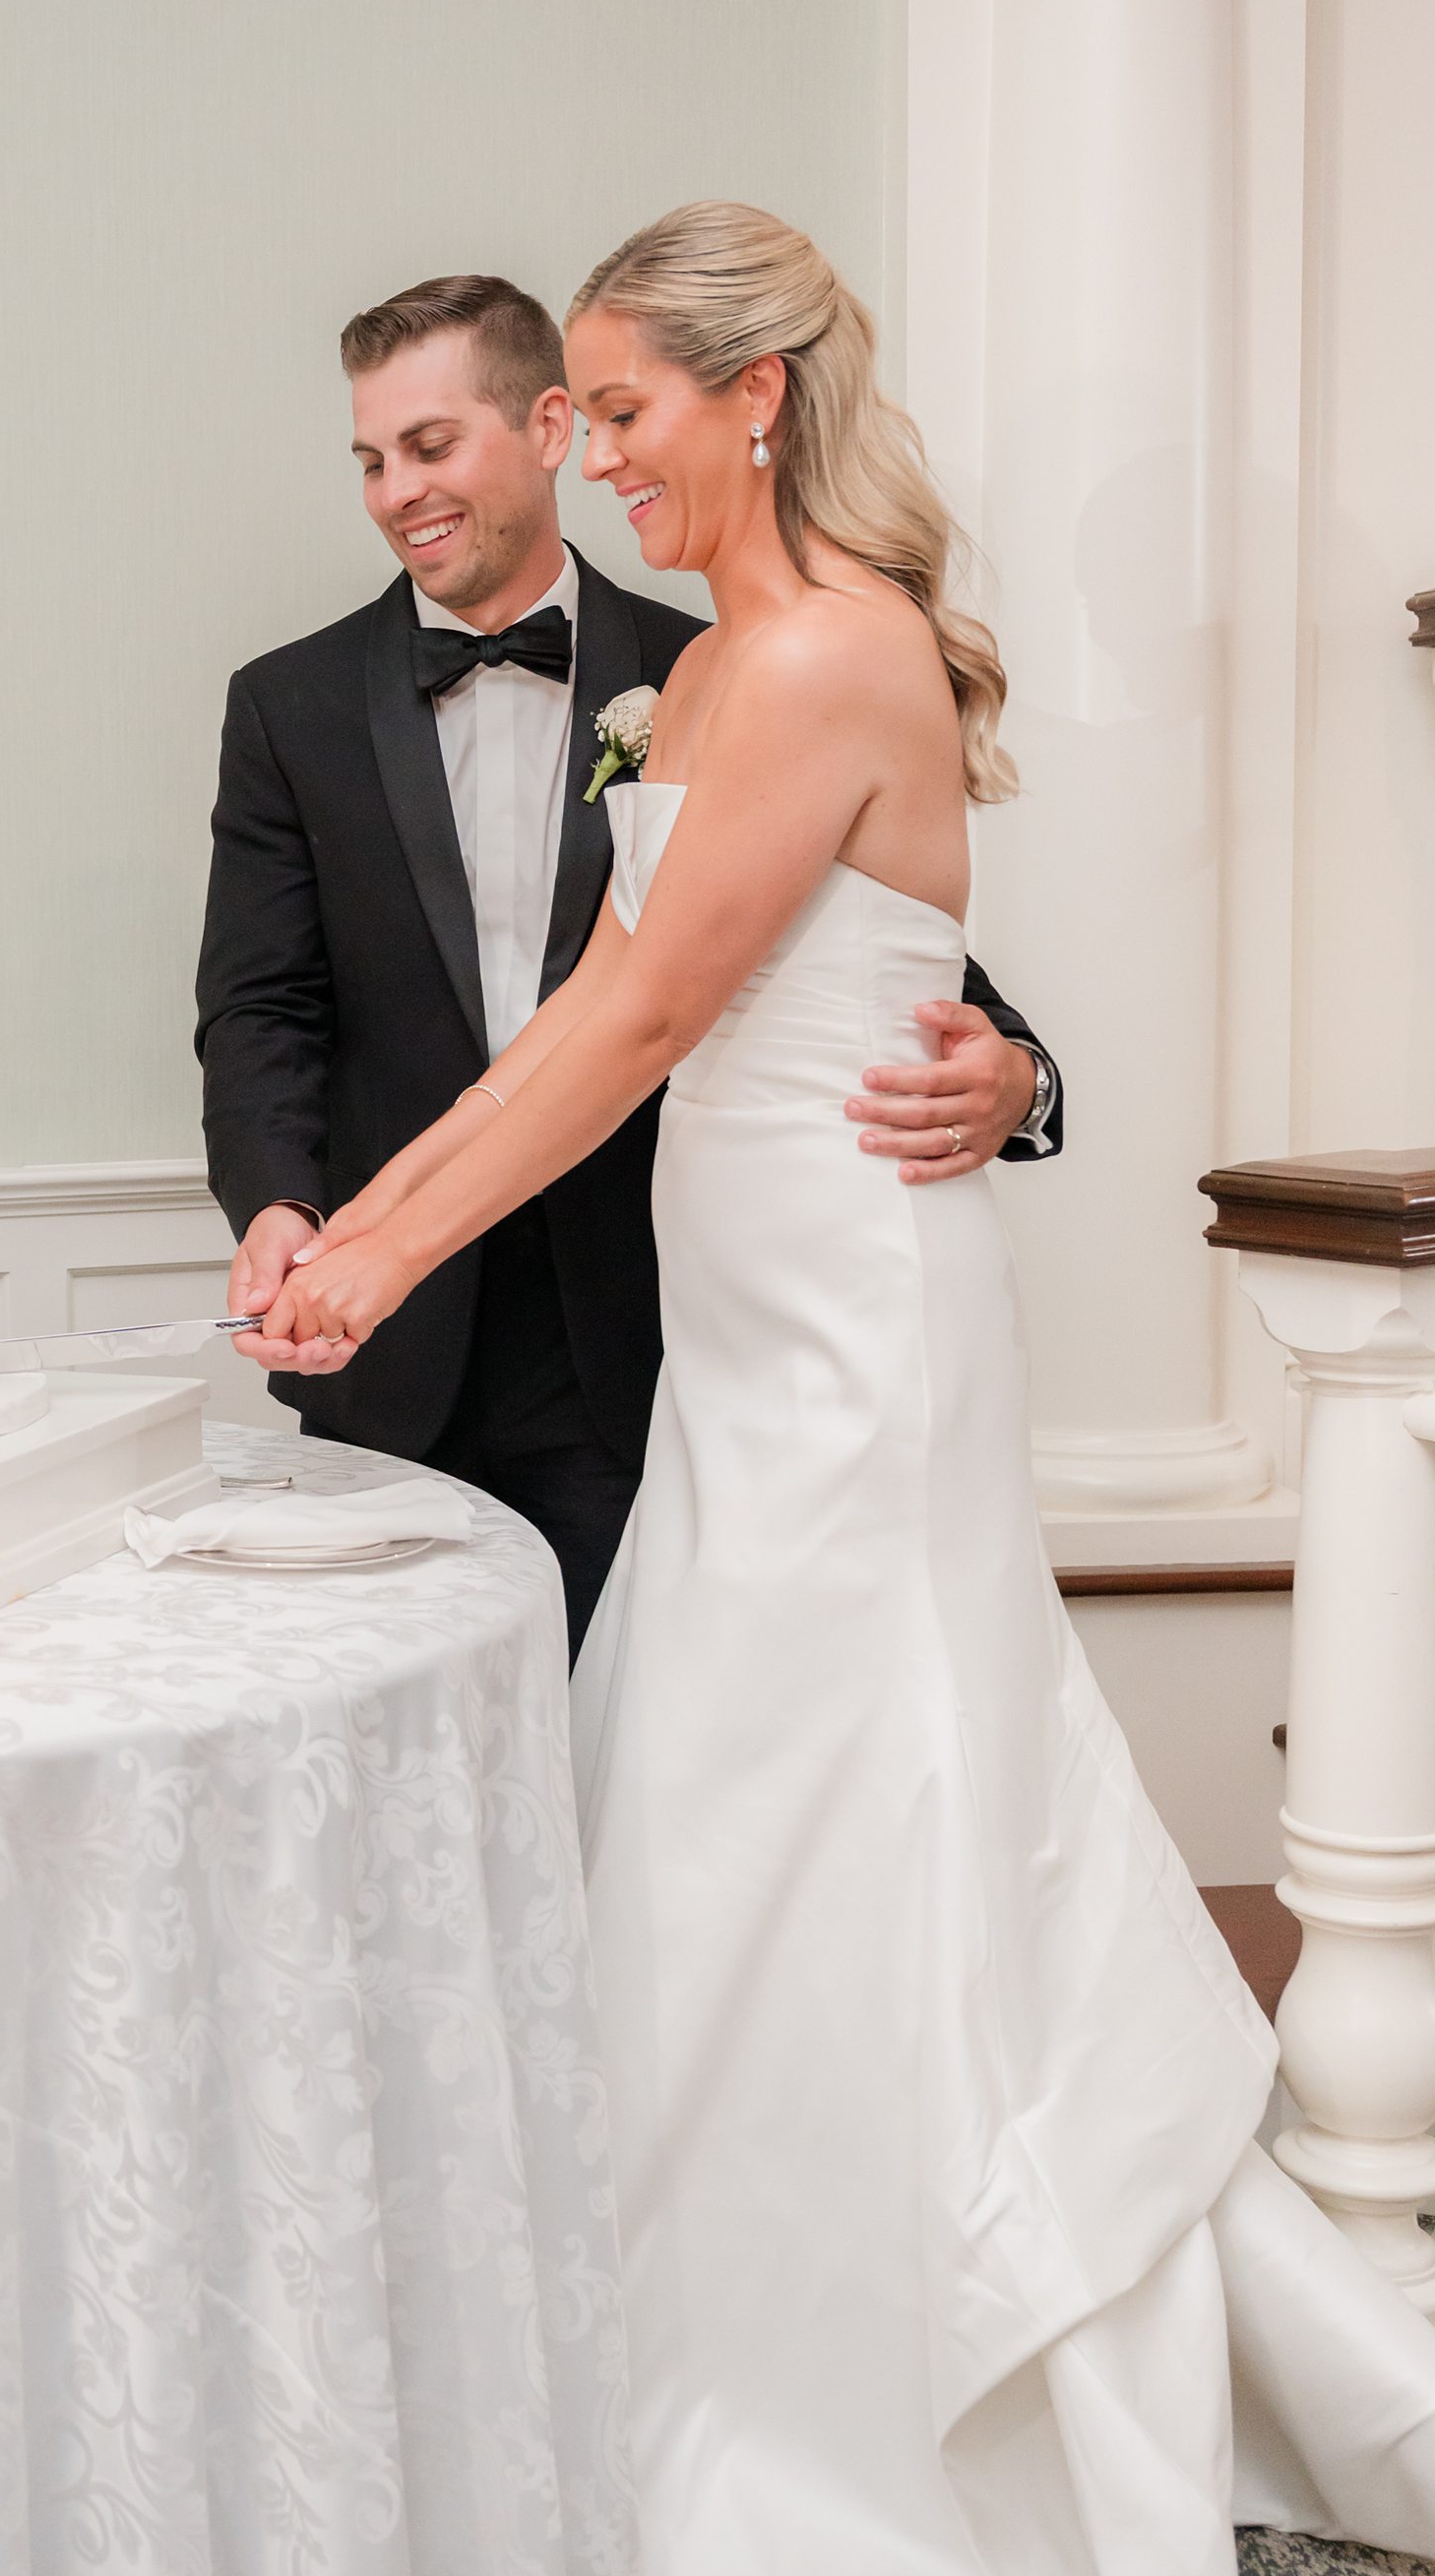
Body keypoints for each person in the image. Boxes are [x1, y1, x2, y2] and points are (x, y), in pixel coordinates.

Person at [264, 201, 1435, 2576]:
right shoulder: (712, 678)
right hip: (752, 1333)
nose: (591, 454)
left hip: (855, 1345)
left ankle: (871, 2400)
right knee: (729, 1804)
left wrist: (363, 1250)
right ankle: (742, 2319)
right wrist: (355, 1220)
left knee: (863, 1788)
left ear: (754, 391)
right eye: (561, 410)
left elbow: (632, 1028)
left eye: (619, 406)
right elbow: (616, 1004)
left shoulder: (817, 655)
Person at [194, 274, 1061, 1654]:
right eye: (370, 458)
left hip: (667, 1320)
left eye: (430, 445)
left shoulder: (747, 656)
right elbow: (270, 1005)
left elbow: (710, 1000)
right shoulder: (310, 700)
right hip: (427, 1359)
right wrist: (336, 1224)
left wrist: (1021, 1077)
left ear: (539, 429)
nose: (394, 489)